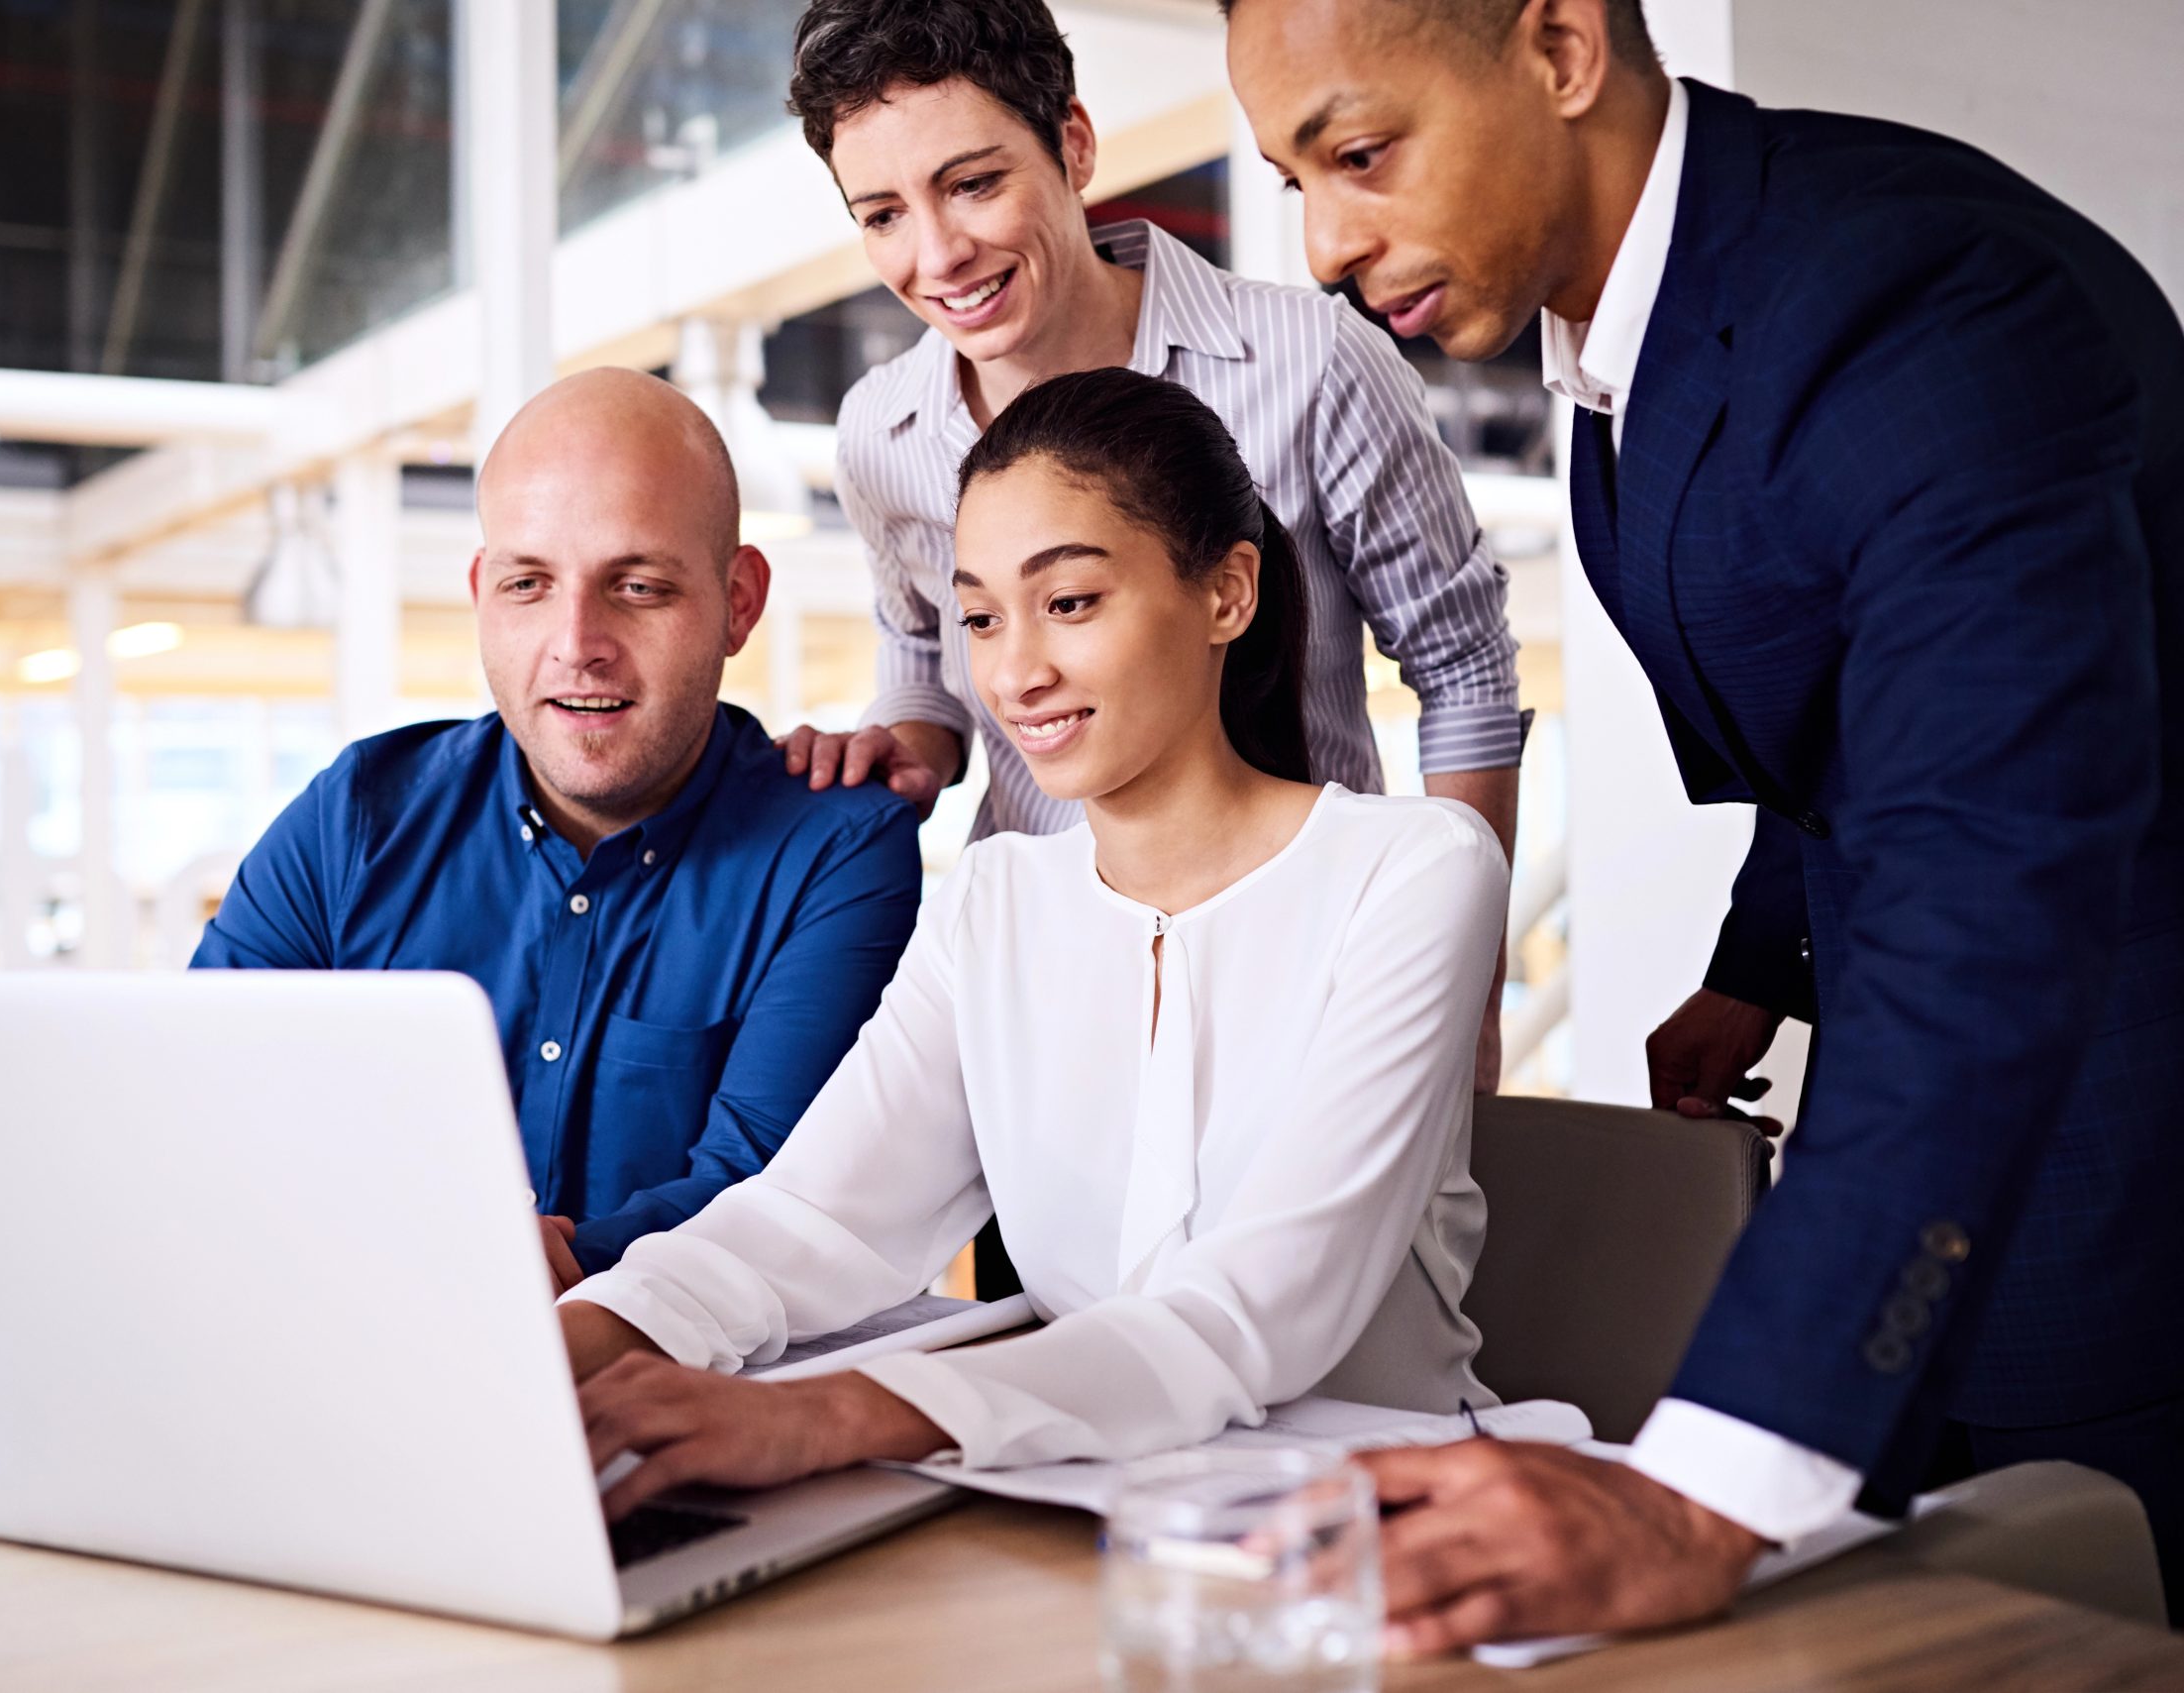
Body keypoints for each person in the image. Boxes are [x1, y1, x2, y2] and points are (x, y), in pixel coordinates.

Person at [1224, 0, 2184, 1648]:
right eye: (1296, 179)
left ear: (1561, 47)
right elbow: (1860, 720)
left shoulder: (1920, 303)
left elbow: (1988, 865)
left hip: (2108, 1162)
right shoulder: (1633, 331)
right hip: (1915, 1163)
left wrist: (1699, 1489)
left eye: (1362, 154)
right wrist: (1761, 959)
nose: (1326, 242)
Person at [556, 367, 1508, 1519]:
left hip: (1381, 1520)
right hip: (1077, 1507)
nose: (1014, 672)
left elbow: (1253, 1311)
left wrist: (827, 1411)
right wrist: (567, 1341)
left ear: (1226, 593)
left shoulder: (1414, 871)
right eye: (980, 616)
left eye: (1069, 603)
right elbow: (816, 1216)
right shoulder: (996, 898)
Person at [774, 0, 1524, 1084]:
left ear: (1072, 144)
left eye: (974, 183)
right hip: (1043, 994)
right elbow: (922, 655)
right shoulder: (880, 433)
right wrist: (903, 742)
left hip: (1299, 976)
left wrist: (1463, 993)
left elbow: (1462, 667)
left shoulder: (1308, 365)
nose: (936, 254)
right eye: (881, 213)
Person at [192, 370, 923, 1292]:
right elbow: (202, 1103)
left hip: (689, 1389)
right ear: (481, 592)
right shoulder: (353, 821)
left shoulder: (836, 850)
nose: (577, 640)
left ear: (739, 601)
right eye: (528, 583)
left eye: (640, 586)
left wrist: (539, 1262)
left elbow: (766, 1193)